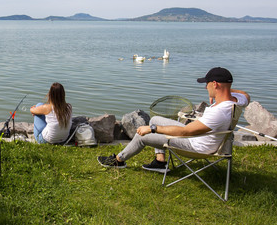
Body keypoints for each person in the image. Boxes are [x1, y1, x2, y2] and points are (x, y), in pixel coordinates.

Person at [98, 67, 250, 171]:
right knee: (155, 119)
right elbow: (246, 95)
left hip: (195, 146)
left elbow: (185, 132)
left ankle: (118, 161)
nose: (205, 88)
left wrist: (152, 129)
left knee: (142, 135)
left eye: (207, 84)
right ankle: (160, 162)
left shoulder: (219, 112)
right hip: (201, 138)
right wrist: (222, 92)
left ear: (215, 84)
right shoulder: (236, 100)